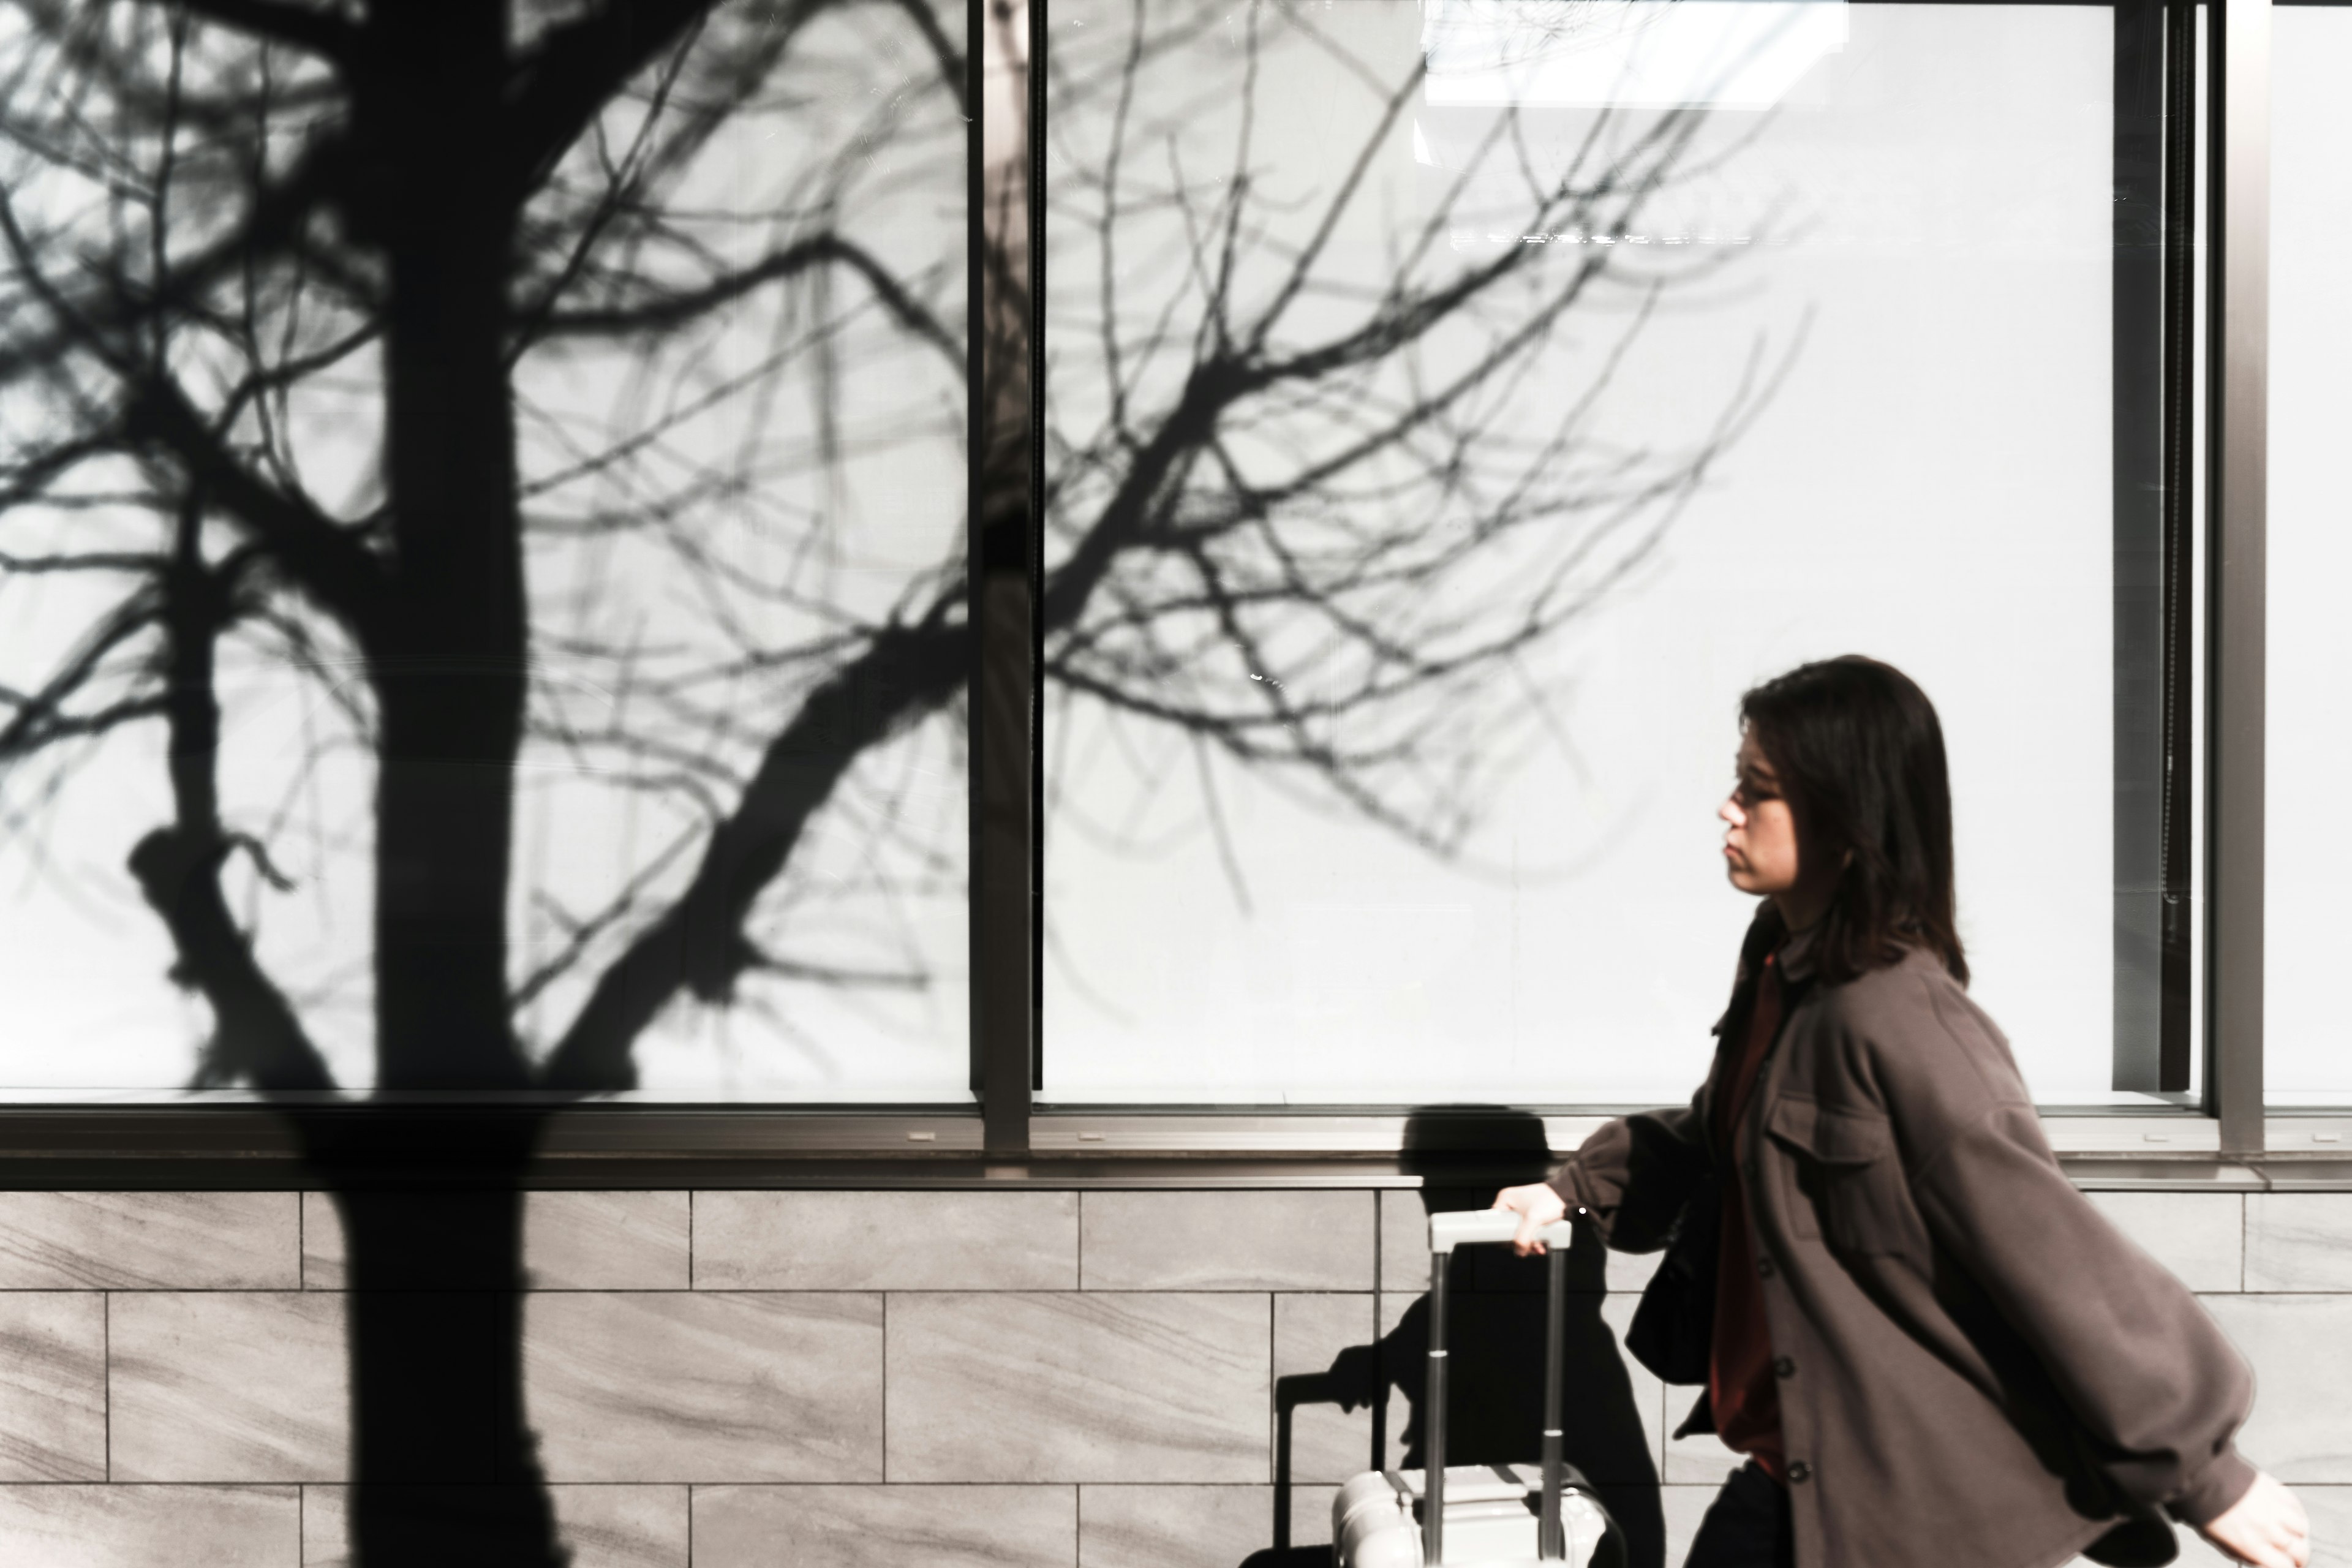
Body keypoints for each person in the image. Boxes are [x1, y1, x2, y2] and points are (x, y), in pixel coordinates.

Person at [1491, 656, 2310, 1568]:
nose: (1727, 809)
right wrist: (1570, 1190)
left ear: (1846, 817)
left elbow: (2054, 1253)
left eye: (1757, 791)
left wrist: (2205, 1475)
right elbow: (1726, 1128)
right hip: (1794, 1476)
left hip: (1911, 1517)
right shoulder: (1781, 965)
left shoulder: (1898, 1019)